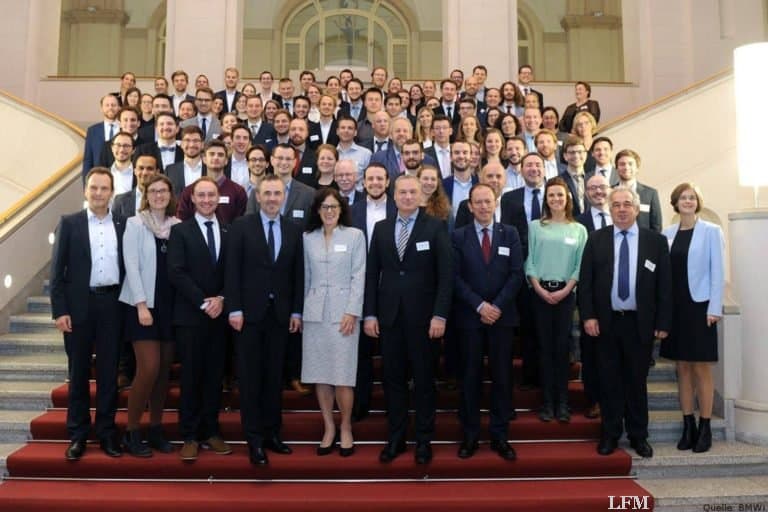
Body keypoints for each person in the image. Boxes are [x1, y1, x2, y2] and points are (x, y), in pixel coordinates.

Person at [364, 175, 453, 465]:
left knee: (425, 381)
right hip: (389, 319)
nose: (406, 196)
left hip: (425, 320)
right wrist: (370, 313)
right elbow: (371, 275)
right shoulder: (381, 228)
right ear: (394, 194)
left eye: (412, 192)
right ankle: (396, 437)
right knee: (393, 381)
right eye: (401, 192)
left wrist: (440, 314)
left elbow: (446, 276)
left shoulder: (436, 227)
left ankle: (424, 440)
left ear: (421, 196)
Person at [578, 186, 672, 459]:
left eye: (626, 204)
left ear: (636, 208)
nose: (621, 209)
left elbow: (664, 286)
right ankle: (609, 434)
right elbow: (586, 283)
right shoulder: (597, 239)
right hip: (606, 323)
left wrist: (663, 321)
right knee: (609, 382)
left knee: (636, 382)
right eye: (616, 204)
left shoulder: (655, 241)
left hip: (639, 324)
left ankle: (638, 435)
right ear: (609, 208)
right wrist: (588, 316)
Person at [226, 174, 304, 465]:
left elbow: (298, 274)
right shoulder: (241, 227)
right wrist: (234, 309)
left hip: (281, 316)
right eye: (267, 193)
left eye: (277, 193)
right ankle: (254, 439)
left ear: (284, 196)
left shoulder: (293, 230)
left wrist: (296, 311)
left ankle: (273, 433)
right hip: (248, 316)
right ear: (257, 197)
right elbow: (232, 271)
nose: (272, 198)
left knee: (274, 378)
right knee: (250, 379)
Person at [50, 168, 125, 461]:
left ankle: (106, 432)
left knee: (109, 375)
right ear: (85, 190)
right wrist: (60, 311)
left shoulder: (122, 223)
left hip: (112, 306)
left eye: (104, 188)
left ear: (111, 192)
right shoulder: (69, 223)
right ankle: (78, 434)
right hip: (78, 308)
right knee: (78, 373)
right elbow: (57, 273)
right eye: (93, 188)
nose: (98, 193)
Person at [453, 183, 524, 460]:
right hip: (470, 318)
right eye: (478, 202)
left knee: (502, 378)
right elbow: (455, 277)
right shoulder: (458, 236)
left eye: (488, 201)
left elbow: (517, 274)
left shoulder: (511, 233)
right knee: (469, 378)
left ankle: (499, 436)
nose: (483, 206)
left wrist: (496, 306)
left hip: (502, 318)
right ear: (469, 206)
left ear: (496, 203)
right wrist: (480, 305)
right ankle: (470, 436)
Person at [167, 176, 232, 461]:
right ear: (192, 199)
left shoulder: (229, 231)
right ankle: (190, 435)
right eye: (201, 195)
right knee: (192, 376)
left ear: (218, 199)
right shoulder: (180, 231)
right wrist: (203, 302)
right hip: (191, 316)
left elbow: (235, 272)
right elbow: (176, 272)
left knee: (214, 377)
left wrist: (223, 299)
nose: (206, 200)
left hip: (220, 316)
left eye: (211, 195)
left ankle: (211, 431)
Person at [302, 188, 366, 457]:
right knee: (321, 374)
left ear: (341, 211)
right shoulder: (307, 238)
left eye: (334, 207)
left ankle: (346, 427)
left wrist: (352, 311)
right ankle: (329, 426)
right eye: (325, 207)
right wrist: (302, 313)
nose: (329, 212)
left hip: (344, 315)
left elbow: (359, 275)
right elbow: (304, 277)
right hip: (315, 313)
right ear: (317, 210)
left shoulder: (354, 236)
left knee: (343, 376)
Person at [118, 175, 180, 456]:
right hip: (141, 306)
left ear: (170, 194)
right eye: (153, 191)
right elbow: (130, 265)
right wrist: (142, 305)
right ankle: (132, 431)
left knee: (164, 372)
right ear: (146, 194)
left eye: (163, 190)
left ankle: (155, 428)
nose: (158, 195)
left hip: (169, 307)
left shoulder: (177, 226)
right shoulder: (136, 223)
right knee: (149, 369)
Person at [661, 184, 725, 453]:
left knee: (701, 368)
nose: (687, 201)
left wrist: (715, 308)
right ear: (675, 203)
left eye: (692, 198)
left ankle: (705, 426)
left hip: (700, 308)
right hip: (675, 309)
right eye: (683, 198)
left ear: (698, 202)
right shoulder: (667, 234)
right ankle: (688, 425)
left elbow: (717, 271)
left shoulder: (711, 231)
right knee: (682, 368)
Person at [525, 177, 587, 423]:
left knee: (561, 350)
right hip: (539, 293)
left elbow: (579, 265)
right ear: (546, 199)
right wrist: (539, 289)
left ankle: (563, 402)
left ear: (568, 198)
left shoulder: (578, 230)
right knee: (544, 348)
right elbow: (529, 260)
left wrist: (566, 289)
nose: (556, 199)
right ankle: (547, 403)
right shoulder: (535, 227)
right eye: (551, 195)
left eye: (560, 195)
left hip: (566, 295)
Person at [576, 173, 613, 420]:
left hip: (621, 300)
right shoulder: (578, 223)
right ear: (586, 193)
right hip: (590, 296)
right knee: (591, 356)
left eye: (601, 187)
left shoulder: (625, 218)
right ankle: (596, 400)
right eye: (592, 188)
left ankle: (615, 400)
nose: (597, 192)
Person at [614, 149, 662, 232]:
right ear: (617, 168)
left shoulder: (650, 194)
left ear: (637, 168)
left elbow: (656, 226)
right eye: (622, 164)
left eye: (630, 164)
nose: (626, 167)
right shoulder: (610, 192)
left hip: (644, 243)